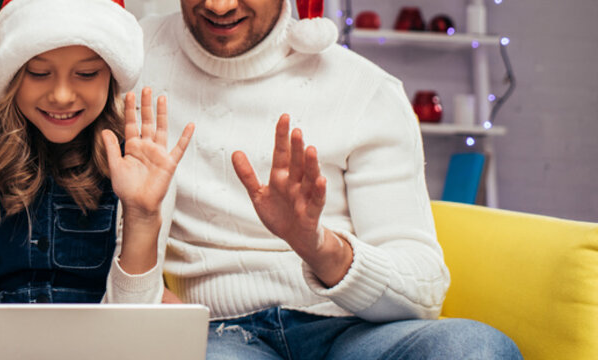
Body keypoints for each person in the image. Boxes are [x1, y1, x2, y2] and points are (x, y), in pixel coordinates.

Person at [137, 0, 522, 358]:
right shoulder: (135, 61)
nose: (219, 6)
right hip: (217, 333)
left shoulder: (365, 91)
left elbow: (423, 292)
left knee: (477, 348)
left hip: (352, 330)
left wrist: (318, 246)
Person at [0, 0, 195, 305]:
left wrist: (142, 216)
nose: (61, 95)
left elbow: (133, 322)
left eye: (86, 74)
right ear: (13, 73)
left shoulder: (142, 163)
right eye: (39, 73)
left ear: (111, 76)